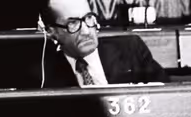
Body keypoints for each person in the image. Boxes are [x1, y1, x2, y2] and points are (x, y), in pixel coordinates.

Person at [38, 0, 167, 88]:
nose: (86, 31)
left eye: (88, 18)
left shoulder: (131, 48)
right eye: (73, 23)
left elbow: (169, 98)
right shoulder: (42, 76)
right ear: (51, 32)